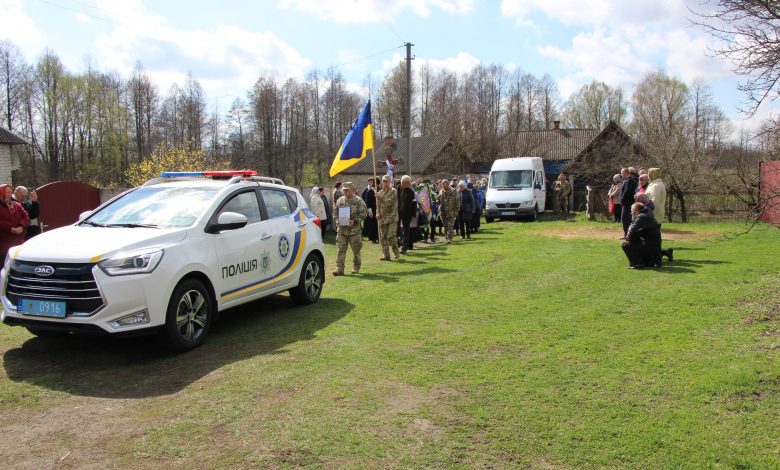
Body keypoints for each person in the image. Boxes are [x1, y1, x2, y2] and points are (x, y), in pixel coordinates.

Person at [332, 182, 367, 275]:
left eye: (347, 190)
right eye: (344, 190)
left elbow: (364, 214)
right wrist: (336, 220)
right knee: (341, 249)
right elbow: (335, 213)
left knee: (356, 250)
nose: (345, 191)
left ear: (352, 190)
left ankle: (356, 267)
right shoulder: (340, 200)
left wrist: (355, 221)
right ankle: (339, 268)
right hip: (342, 231)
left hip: (354, 231)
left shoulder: (359, 201)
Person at [621, 202, 662, 269]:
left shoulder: (641, 217)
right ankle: (645, 262)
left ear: (636, 210)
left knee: (625, 244)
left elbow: (632, 231)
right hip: (654, 250)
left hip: (650, 250)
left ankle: (638, 264)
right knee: (633, 241)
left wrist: (627, 239)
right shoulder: (646, 214)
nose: (631, 213)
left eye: (632, 211)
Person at [645, 167, 673, 262]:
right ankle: (662, 253)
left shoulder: (656, 186)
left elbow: (654, 202)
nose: (648, 176)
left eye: (649, 174)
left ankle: (659, 254)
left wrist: (645, 211)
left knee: (653, 236)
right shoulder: (655, 184)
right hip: (656, 212)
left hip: (654, 213)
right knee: (655, 235)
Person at [0, 183, 30, 267]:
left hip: (18, 241)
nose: (9, 194)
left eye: (10, 192)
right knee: (5, 266)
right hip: (4, 244)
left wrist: (21, 226)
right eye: (7, 192)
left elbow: (26, 217)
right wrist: (10, 228)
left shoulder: (17, 205)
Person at [376, 175, 400, 261]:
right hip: (383, 218)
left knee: (391, 236)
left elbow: (389, 202)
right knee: (383, 237)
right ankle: (386, 255)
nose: (385, 183)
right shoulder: (380, 192)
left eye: (387, 181)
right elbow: (378, 205)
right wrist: (377, 213)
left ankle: (396, 252)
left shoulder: (394, 191)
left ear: (390, 182)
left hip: (392, 217)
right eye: (384, 181)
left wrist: (380, 197)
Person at [397, 175, 417, 254]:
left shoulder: (411, 191)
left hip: (407, 213)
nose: (409, 185)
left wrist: (413, 215)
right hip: (397, 213)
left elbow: (414, 204)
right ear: (403, 183)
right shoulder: (395, 190)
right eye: (408, 184)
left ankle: (404, 248)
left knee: (406, 230)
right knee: (396, 229)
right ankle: (397, 244)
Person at [438, 178, 459, 243]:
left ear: (448, 184)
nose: (444, 186)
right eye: (443, 185)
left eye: (445, 184)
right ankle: (447, 238)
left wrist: (456, 211)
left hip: (451, 212)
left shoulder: (454, 191)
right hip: (443, 212)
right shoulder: (441, 191)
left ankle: (450, 239)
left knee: (450, 226)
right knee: (445, 226)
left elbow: (457, 202)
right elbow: (438, 201)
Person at [619, 167, 638, 237]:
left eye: (622, 173)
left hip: (627, 203)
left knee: (625, 219)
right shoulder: (627, 180)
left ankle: (627, 234)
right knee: (626, 219)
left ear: (626, 173)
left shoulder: (629, 181)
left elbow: (627, 192)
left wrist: (622, 200)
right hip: (627, 203)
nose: (621, 174)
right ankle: (627, 234)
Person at [361, 177, 378, 243]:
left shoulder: (375, 190)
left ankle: (374, 236)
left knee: (373, 224)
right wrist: (368, 209)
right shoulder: (367, 190)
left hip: (374, 209)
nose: (371, 183)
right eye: (370, 182)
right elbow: (365, 200)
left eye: (372, 182)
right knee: (369, 223)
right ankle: (369, 236)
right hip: (368, 209)